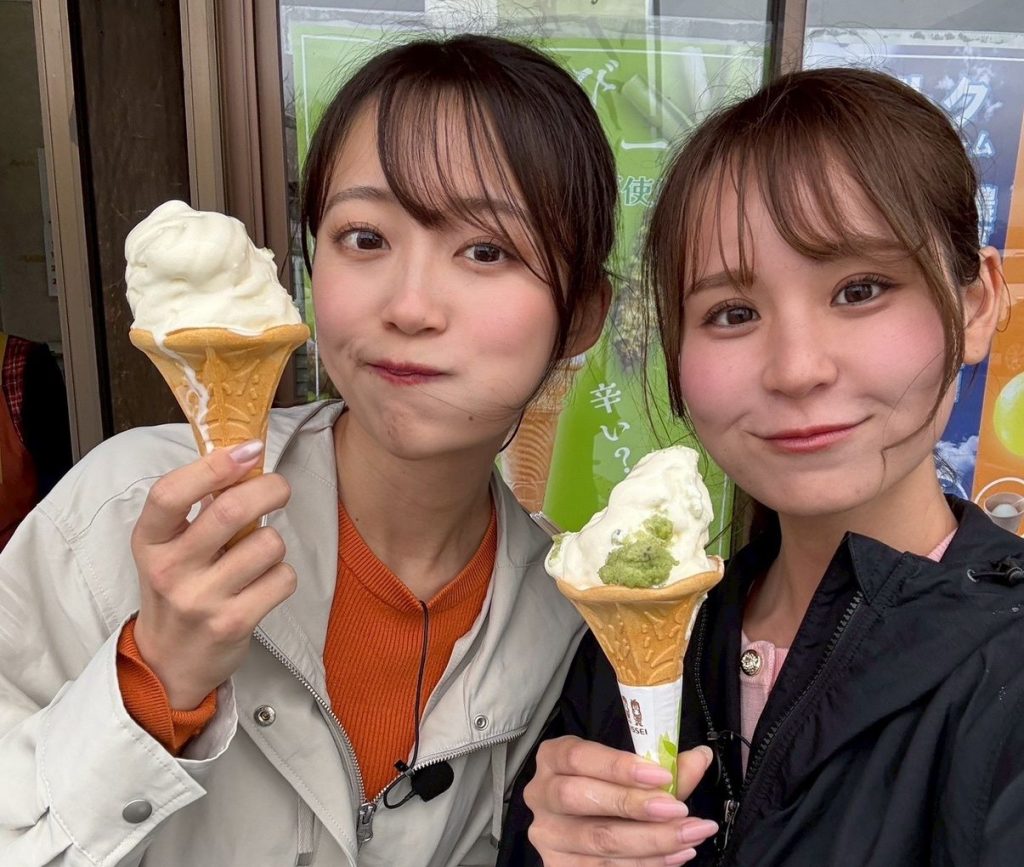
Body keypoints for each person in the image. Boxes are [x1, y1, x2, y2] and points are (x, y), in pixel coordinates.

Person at [0, 34, 618, 865]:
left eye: (486, 250)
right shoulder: (127, 513)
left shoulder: (562, 618)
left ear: (581, 315)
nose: (409, 306)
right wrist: (152, 680)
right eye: (364, 237)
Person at [499, 67, 1024, 867]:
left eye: (860, 289)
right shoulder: (632, 651)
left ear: (977, 303)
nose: (796, 368)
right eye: (733, 313)